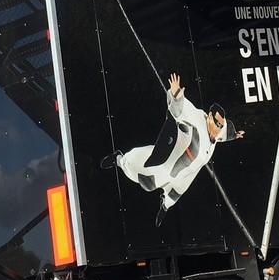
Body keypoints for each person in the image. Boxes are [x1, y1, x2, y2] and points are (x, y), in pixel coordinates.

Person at [101, 72, 244, 226]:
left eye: (220, 127)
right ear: (209, 117)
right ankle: (118, 159)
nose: (216, 131)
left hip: (186, 176)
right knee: (147, 182)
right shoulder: (196, 118)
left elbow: (225, 134)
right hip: (168, 162)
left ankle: (164, 205)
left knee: (173, 196)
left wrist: (234, 135)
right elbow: (179, 110)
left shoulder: (220, 130)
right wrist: (177, 96)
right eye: (216, 125)